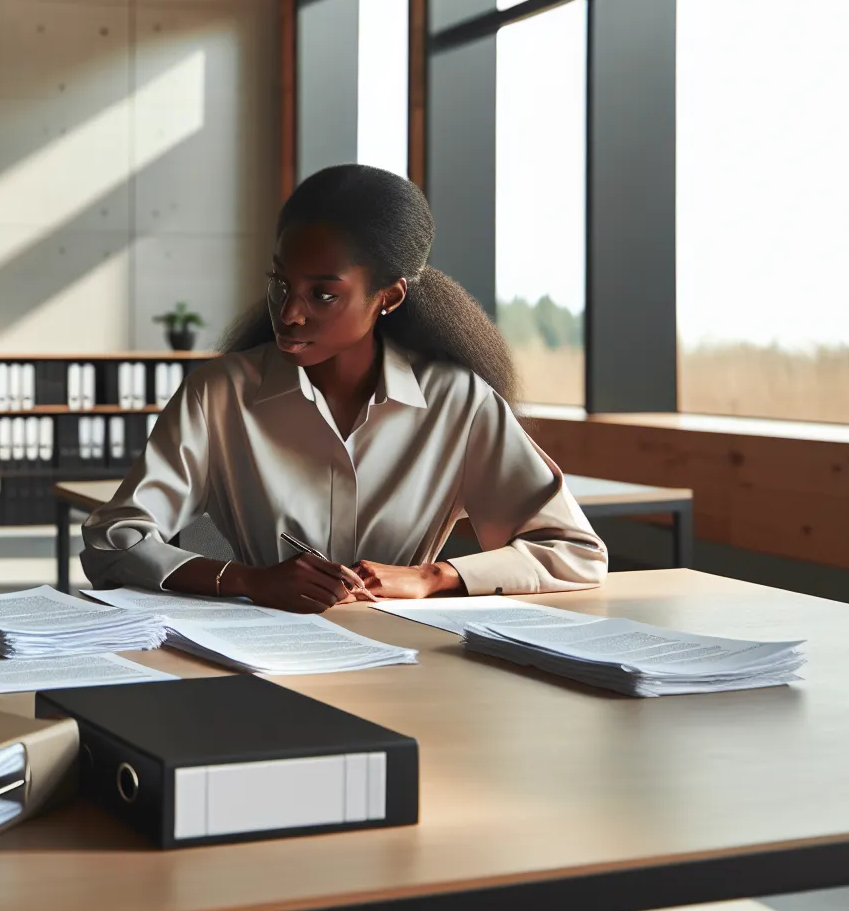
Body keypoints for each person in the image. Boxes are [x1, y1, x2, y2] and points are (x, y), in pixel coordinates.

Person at [81, 164, 605, 613]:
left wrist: (430, 578)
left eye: (323, 294)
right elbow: (112, 541)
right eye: (281, 283)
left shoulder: (457, 401)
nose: (289, 312)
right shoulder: (219, 393)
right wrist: (247, 580)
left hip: (411, 659)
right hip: (257, 657)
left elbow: (575, 551)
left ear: (389, 297)